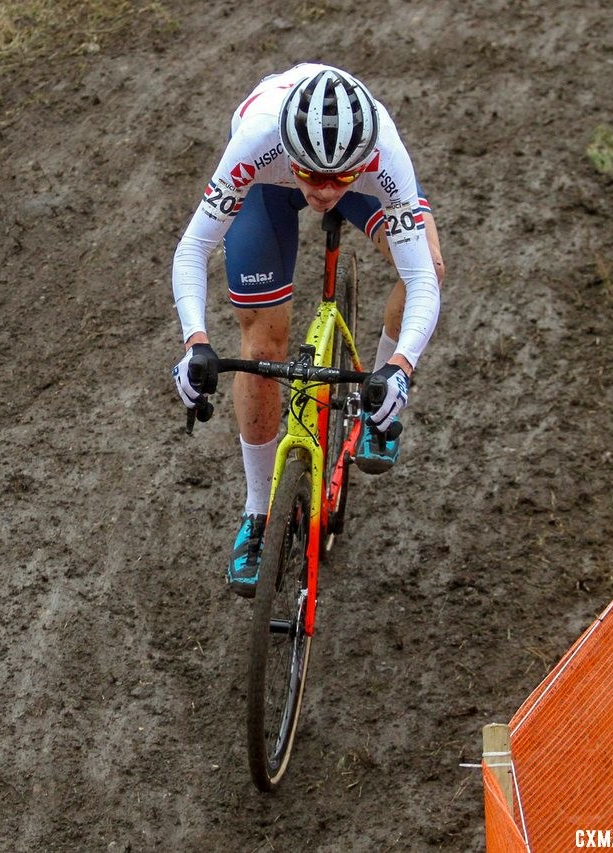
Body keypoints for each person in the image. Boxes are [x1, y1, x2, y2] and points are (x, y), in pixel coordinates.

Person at [170, 63, 444, 597]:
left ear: (361, 161)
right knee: (263, 345)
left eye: (339, 178)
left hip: (350, 179)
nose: (323, 193)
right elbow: (193, 247)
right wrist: (195, 342)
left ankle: (376, 407)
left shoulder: (383, 152)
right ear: (289, 154)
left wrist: (400, 368)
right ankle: (257, 513)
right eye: (312, 176)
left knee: (428, 268)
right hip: (267, 188)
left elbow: (419, 280)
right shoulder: (256, 140)